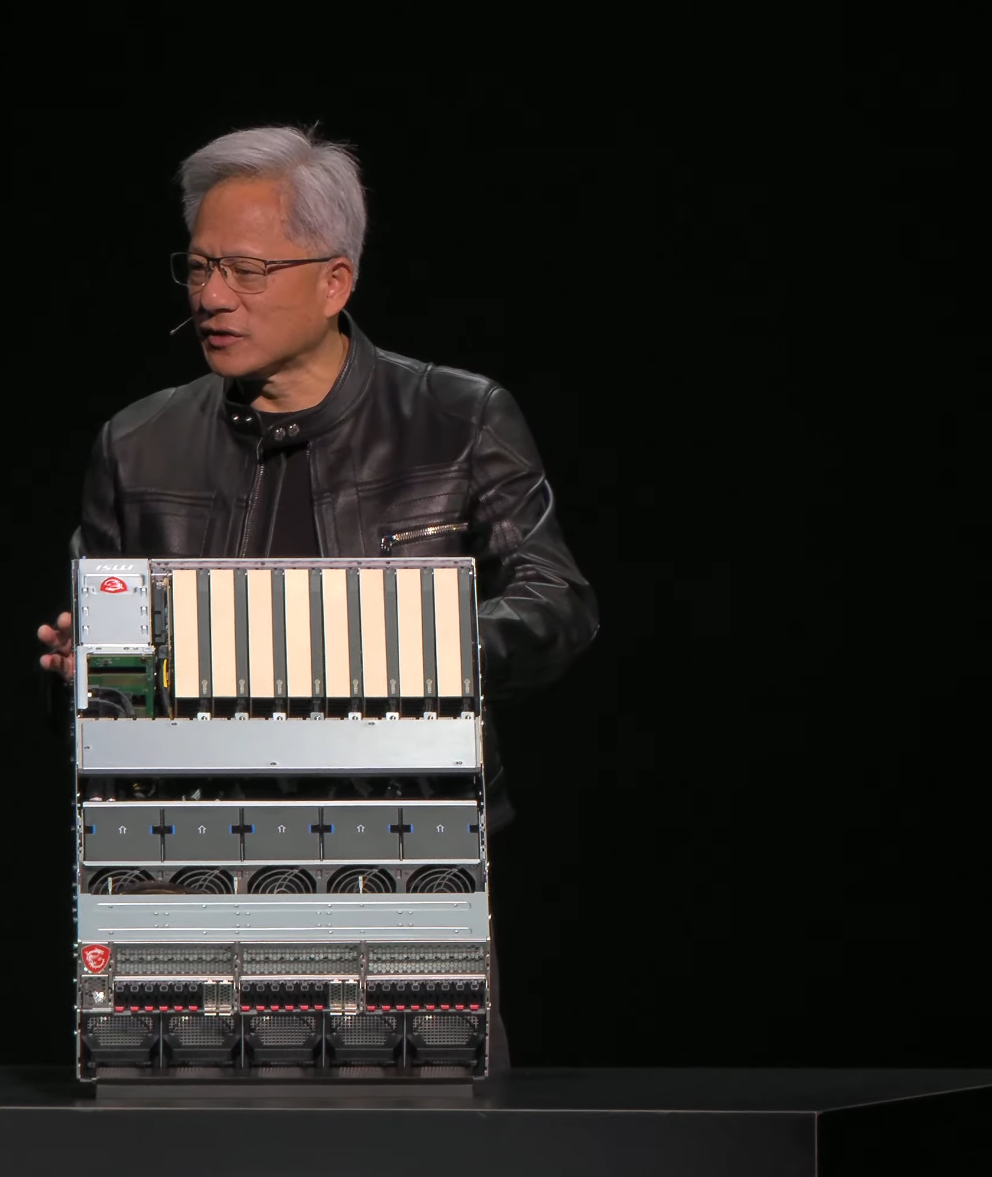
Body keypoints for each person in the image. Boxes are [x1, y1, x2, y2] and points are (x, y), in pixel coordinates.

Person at [36, 125, 599, 1069]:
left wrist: (393, 646)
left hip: (406, 853)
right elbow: (108, 686)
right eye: (199, 267)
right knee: (172, 1135)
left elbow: (556, 606)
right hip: (185, 865)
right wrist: (87, 673)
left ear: (334, 281)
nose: (212, 295)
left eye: (247, 271)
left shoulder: (457, 418)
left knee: (423, 1133)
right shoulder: (136, 443)